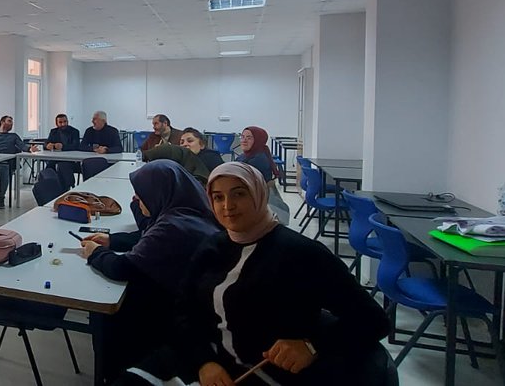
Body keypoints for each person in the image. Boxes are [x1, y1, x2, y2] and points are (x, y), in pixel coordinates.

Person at [119, 162, 389, 386]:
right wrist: (204, 362)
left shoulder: (301, 253)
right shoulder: (213, 246)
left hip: (269, 374)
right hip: (210, 361)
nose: (228, 206)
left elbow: (374, 319)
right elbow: (185, 311)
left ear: (259, 194)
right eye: (218, 197)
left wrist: (311, 345)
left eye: (239, 194)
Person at [80, 160, 222, 377]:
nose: (136, 199)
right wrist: (112, 240)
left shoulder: (174, 226)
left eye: (140, 193)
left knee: (109, 309)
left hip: (174, 314)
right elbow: (148, 234)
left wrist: (95, 252)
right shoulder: (188, 209)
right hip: (190, 302)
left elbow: (122, 268)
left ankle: (113, 375)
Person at [236, 126, 290, 224]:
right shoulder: (247, 156)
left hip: (255, 205)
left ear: (258, 140)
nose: (244, 140)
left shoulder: (257, 160)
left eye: (249, 138)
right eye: (242, 137)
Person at [44, 113, 81, 187]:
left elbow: (76, 146)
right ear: (56, 123)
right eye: (60, 122)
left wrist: (63, 147)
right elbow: (46, 144)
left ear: (68, 121)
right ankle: (50, 186)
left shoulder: (74, 131)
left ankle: (68, 186)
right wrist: (48, 146)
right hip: (55, 158)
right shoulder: (53, 132)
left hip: (71, 160)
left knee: (63, 166)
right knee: (49, 167)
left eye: (65, 121)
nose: (63, 124)